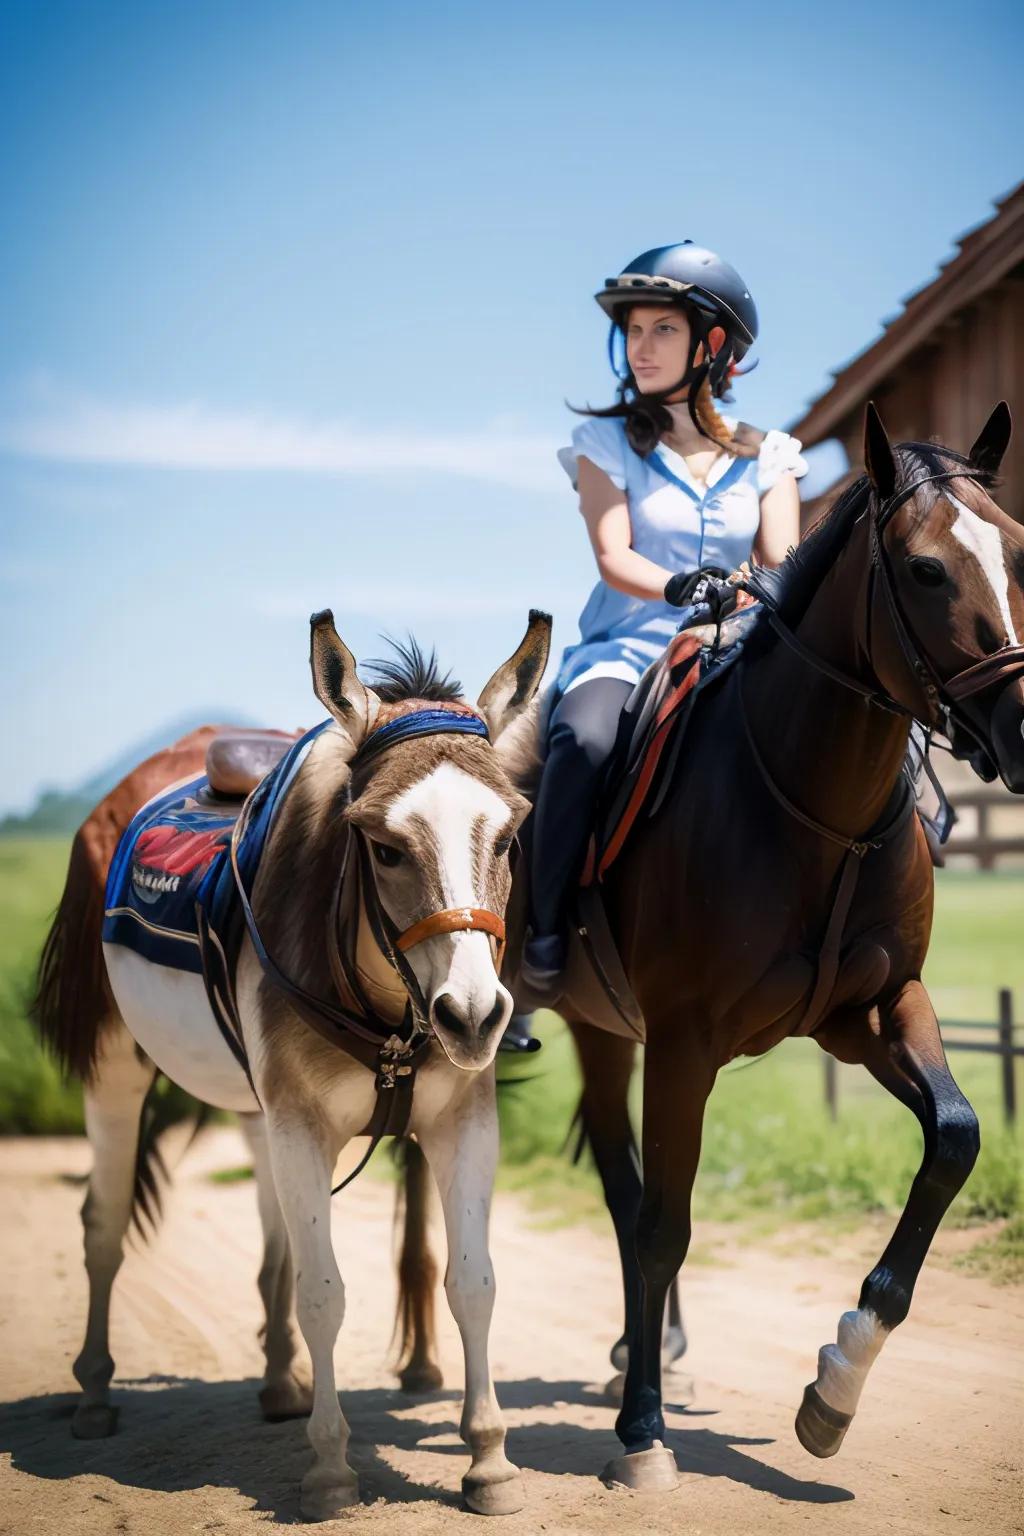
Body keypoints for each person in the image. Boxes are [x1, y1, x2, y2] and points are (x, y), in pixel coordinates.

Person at [520, 241, 808, 997]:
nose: (639, 348)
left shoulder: (772, 456)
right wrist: (684, 586)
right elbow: (614, 556)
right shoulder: (603, 444)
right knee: (581, 742)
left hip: (737, 653)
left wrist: (757, 589)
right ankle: (542, 932)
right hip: (627, 653)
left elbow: (785, 562)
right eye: (634, 331)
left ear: (713, 345)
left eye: (663, 331)